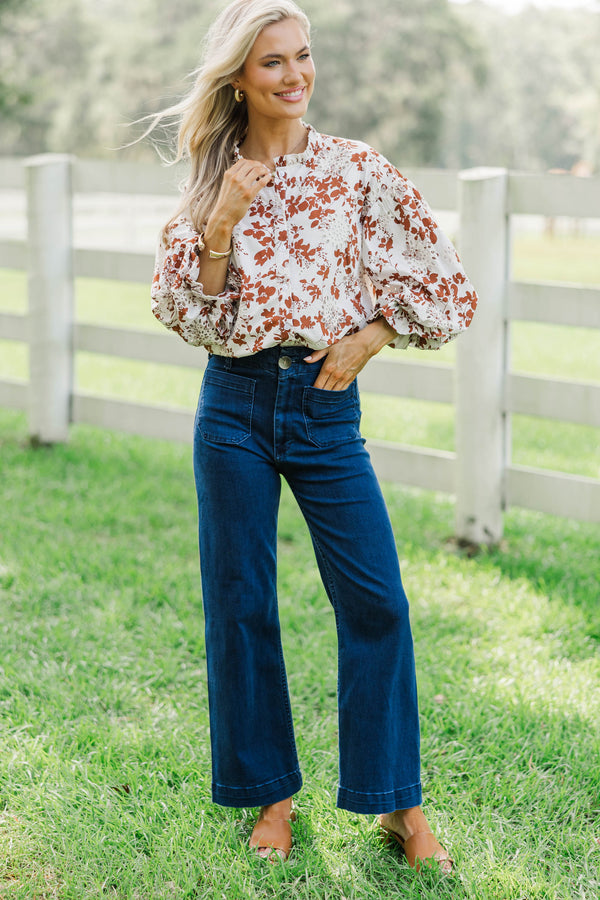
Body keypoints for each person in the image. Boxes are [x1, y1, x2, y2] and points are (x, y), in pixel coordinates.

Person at [150, 0, 477, 872]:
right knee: (242, 602)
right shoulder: (213, 173)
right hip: (236, 406)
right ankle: (271, 797)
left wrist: (374, 334)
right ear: (238, 80)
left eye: (302, 56)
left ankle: (396, 807)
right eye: (272, 64)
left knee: (377, 600)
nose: (295, 76)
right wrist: (220, 221)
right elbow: (188, 313)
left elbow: (445, 285)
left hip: (327, 408)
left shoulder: (357, 169)